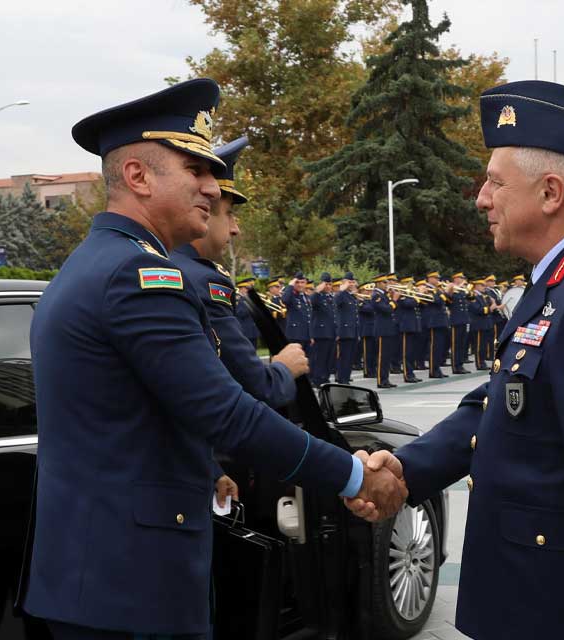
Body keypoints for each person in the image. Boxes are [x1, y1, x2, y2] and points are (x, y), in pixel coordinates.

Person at [25, 79, 406, 640]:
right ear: (138, 177)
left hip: (103, 578)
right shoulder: (139, 277)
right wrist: (351, 474)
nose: (212, 185)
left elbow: (132, 412)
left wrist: (208, 470)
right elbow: (226, 413)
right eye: (196, 170)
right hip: (132, 585)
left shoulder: (96, 264)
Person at [348, 80, 564, 640]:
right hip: (538, 595)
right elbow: (504, 403)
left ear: (550, 193)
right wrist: (407, 470)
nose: (481, 197)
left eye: (495, 182)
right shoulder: (559, 281)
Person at [170, 135, 306, 409]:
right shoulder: (204, 279)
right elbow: (256, 389)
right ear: (205, 212)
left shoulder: (166, 263)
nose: (235, 229)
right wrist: (283, 368)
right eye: (230, 214)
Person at [419, 271, 450, 379]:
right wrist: (442, 294)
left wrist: (445, 293)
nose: (438, 280)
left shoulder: (436, 289)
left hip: (440, 321)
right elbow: (437, 300)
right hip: (433, 321)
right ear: (430, 278)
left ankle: (437, 369)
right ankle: (433, 370)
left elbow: (445, 300)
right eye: (436, 278)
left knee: (439, 348)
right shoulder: (425, 288)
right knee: (434, 347)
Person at [370, 273, 398, 388]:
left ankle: (385, 379)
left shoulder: (384, 295)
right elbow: (386, 310)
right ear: (378, 283)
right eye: (384, 282)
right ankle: (381, 380)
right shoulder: (376, 295)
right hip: (382, 329)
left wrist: (391, 297)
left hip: (388, 329)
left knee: (387, 356)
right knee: (382, 357)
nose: (387, 284)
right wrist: (394, 300)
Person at [310, 272, 337, 385]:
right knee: (320, 358)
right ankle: (317, 379)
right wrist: (317, 290)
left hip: (331, 332)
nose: (328, 287)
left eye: (330, 284)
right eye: (326, 284)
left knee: (329, 358)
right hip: (321, 333)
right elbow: (312, 301)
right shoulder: (317, 296)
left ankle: (325, 378)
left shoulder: (331, 297)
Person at [334, 272, 360, 383]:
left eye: (353, 282)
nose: (352, 284)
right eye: (349, 282)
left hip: (353, 331)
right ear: (344, 283)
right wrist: (341, 289)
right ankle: (341, 378)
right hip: (344, 331)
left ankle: (346, 377)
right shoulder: (341, 295)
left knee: (350, 358)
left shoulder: (351, 296)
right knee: (344, 357)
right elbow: (335, 302)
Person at [396, 276, 422, 383]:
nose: (412, 286)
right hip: (406, 326)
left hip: (414, 326)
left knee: (412, 352)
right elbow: (409, 304)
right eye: (410, 283)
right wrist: (417, 296)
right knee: (407, 353)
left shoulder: (410, 294)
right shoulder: (401, 295)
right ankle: (408, 374)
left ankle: (411, 373)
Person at [447, 272, 471, 373]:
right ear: (455, 279)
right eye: (460, 278)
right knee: (456, 345)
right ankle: (455, 366)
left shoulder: (462, 291)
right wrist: (450, 291)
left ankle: (460, 365)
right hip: (455, 321)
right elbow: (447, 301)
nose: (462, 280)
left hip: (463, 320)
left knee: (462, 344)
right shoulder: (451, 289)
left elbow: (471, 297)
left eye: (462, 278)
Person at [235, 277, 260, 349]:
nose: (249, 290)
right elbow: (240, 313)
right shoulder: (237, 299)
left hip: (253, 331)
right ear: (241, 288)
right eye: (247, 288)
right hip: (245, 331)